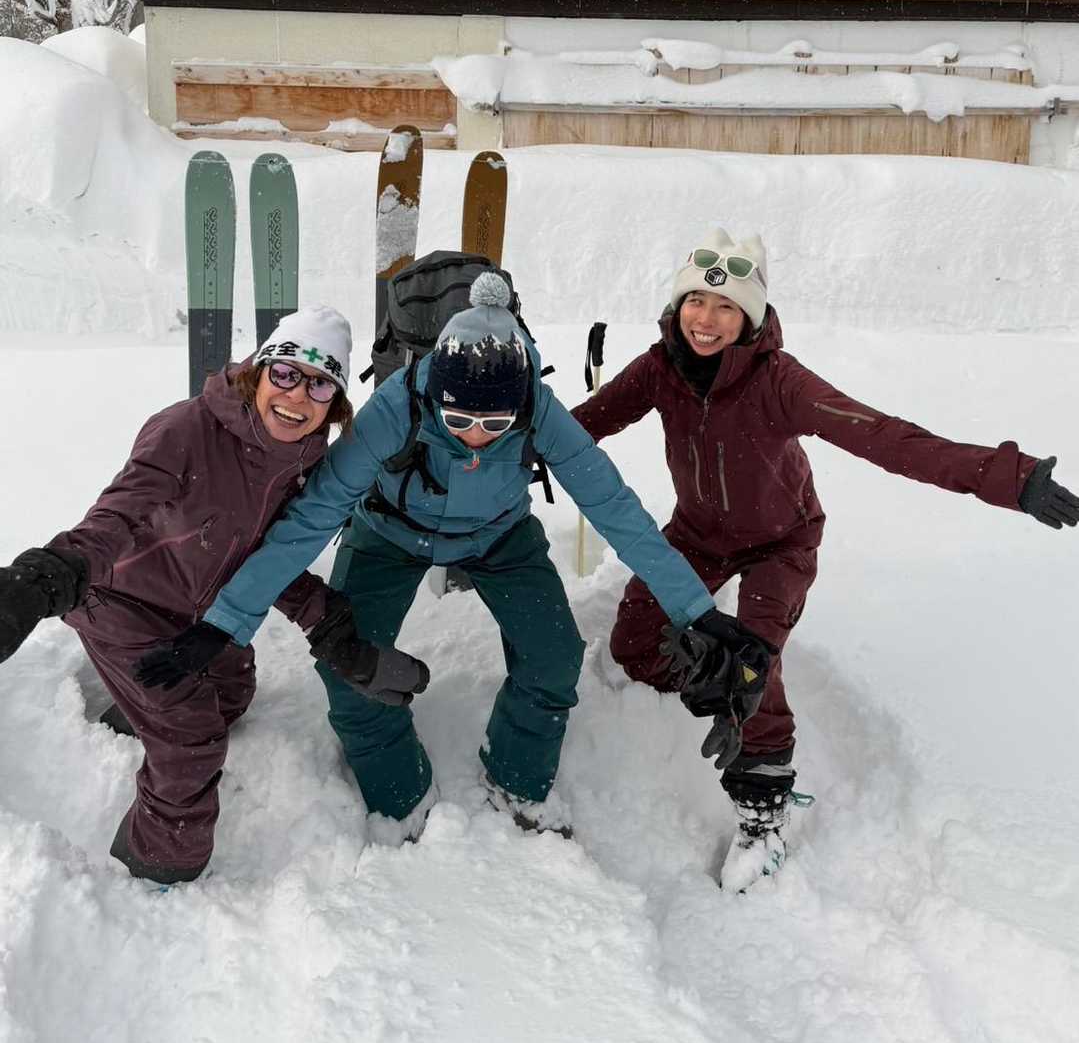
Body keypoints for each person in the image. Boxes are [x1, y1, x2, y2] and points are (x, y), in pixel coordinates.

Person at [572, 228, 1079, 888]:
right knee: (635, 643)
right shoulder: (659, 367)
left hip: (780, 540)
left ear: (750, 317)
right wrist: (496, 447)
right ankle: (709, 685)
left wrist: (1009, 478)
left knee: (753, 660)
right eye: (696, 300)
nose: (707, 318)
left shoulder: (778, 381)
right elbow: (581, 425)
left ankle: (763, 808)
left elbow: (889, 439)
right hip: (696, 534)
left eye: (726, 306)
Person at [147, 274, 733, 844]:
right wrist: (224, 624)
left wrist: (696, 611)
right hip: (391, 531)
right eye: (458, 421)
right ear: (434, 398)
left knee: (554, 659)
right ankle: (400, 796)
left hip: (499, 536)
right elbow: (309, 521)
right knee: (349, 669)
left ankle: (518, 782)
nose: (476, 435)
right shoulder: (396, 406)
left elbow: (616, 509)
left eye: (495, 425)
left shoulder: (537, 407)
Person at [0, 308, 428, 885]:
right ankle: (156, 867)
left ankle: (137, 713)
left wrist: (334, 631)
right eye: (286, 374)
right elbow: (116, 517)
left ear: (335, 403)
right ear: (258, 371)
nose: (297, 396)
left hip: (202, 610)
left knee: (230, 692)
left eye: (320, 384)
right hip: (119, 603)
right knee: (192, 740)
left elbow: (269, 558)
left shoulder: (303, 462)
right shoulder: (186, 430)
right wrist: (47, 577)